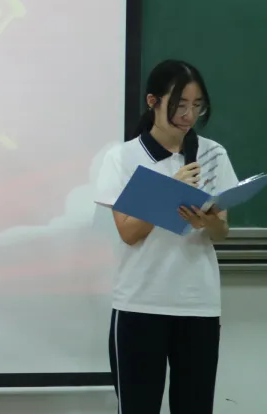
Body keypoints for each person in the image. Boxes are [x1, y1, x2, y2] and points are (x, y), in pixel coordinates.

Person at [94, 59, 235, 414]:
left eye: (197, 105)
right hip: (140, 303)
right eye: (179, 105)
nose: (188, 115)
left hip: (198, 303)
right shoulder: (123, 157)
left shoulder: (213, 154)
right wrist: (168, 193)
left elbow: (222, 232)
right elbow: (128, 233)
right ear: (152, 102)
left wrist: (207, 223)